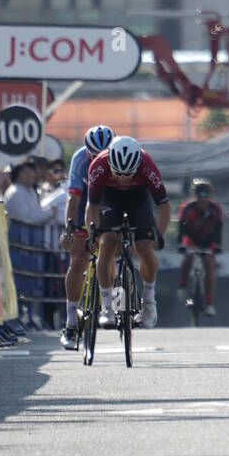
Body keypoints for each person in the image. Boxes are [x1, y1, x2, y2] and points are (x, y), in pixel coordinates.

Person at [84, 136, 170, 330]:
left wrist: (159, 234)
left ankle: (148, 301)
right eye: (118, 174)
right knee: (107, 243)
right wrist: (93, 233)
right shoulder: (99, 166)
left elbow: (164, 206)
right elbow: (93, 206)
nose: (123, 179)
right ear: (110, 165)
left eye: (128, 174)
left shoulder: (147, 164)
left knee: (145, 247)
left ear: (137, 166)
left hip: (138, 198)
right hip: (110, 198)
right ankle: (108, 308)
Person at [58, 124, 115, 350]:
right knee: (78, 259)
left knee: (113, 253)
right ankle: (71, 321)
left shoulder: (120, 154)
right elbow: (73, 199)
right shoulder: (80, 159)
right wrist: (70, 230)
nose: (99, 158)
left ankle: (115, 303)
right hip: (85, 203)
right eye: (94, 154)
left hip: (112, 202)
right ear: (87, 150)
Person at [176, 178, 223, 315]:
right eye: (199, 195)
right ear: (194, 196)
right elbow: (181, 227)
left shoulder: (215, 209)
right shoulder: (187, 208)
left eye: (205, 195)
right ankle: (183, 285)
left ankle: (209, 302)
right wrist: (180, 244)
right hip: (192, 238)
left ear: (210, 196)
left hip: (209, 240)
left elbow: (219, 228)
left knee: (209, 265)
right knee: (189, 258)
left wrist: (217, 246)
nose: (202, 199)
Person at [4, 161, 60, 226]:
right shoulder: (15, 192)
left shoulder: (29, 190)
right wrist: (50, 212)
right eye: (25, 172)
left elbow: (36, 213)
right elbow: (26, 220)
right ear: (17, 175)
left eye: (31, 171)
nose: (30, 175)